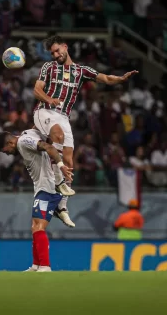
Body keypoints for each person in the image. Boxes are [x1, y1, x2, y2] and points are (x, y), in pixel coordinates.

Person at [33, 34, 138, 227]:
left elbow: (104, 78)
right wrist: (49, 99)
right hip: (45, 111)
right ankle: (55, 180)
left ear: (65, 47)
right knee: (57, 135)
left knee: (70, 159)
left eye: (58, 50)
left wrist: (121, 79)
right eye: (53, 53)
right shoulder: (49, 67)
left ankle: (62, 207)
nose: (56, 55)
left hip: (64, 116)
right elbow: (36, 90)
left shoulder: (80, 71)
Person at [0, 129, 74, 272]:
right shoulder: (26, 135)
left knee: (39, 227)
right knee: (35, 226)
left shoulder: (24, 142)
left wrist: (61, 166)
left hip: (47, 188)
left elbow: (48, 147)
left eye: (5, 150)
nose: (6, 154)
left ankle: (45, 265)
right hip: (41, 188)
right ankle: (36, 265)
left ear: (10, 143)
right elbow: (38, 129)